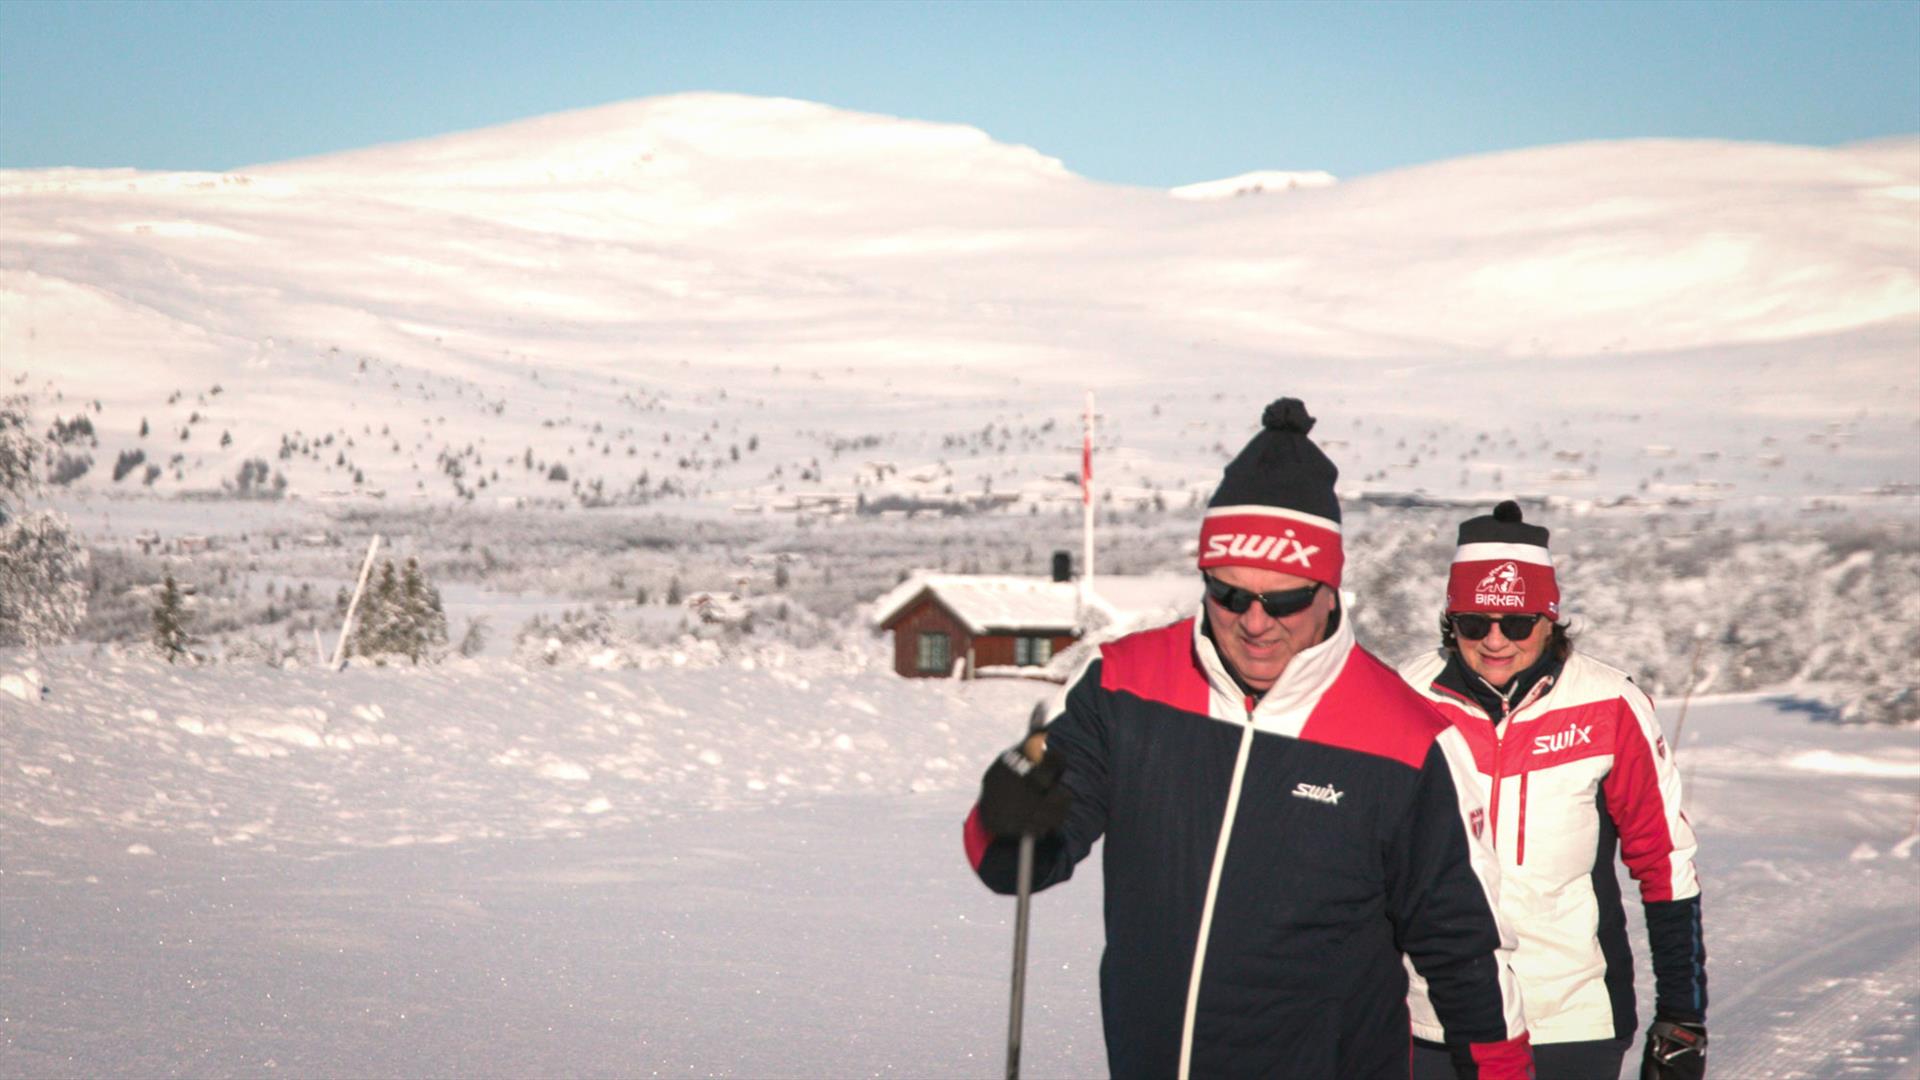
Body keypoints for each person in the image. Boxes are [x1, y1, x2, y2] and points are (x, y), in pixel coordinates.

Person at [963, 399, 1534, 1079]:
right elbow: (1019, 863)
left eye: (1285, 599)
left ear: (1330, 589)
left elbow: (1463, 950)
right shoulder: (1126, 686)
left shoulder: (1407, 739)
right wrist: (1005, 811)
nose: (1256, 623)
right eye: (1230, 595)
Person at [1398, 501, 1708, 1080]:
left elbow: (1664, 861)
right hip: (1430, 1018)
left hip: (1568, 1021)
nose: (1495, 641)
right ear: (1451, 620)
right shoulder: (1405, 697)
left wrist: (1683, 1016)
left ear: (1549, 618)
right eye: (1473, 623)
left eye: (1516, 624)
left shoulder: (1610, 704)